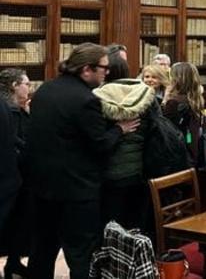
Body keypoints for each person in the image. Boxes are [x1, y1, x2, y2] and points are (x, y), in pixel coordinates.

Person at [26, 43, 139, 279]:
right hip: (76, 190)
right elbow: (100, 145)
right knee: (80, 255)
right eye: (104, 69)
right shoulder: (86, 100)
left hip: (41, 186)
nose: (107, 73)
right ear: (87, 69)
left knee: (42, 249)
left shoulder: (45, 90)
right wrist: (119, 129)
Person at [93, 49, 159, 231]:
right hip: (140, 169)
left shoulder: (97, 97)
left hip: (110, 172)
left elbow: (95, 136)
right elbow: (156, 128)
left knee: (111, 226)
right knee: (135, 225)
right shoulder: (146, 94)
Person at [0, 69, 26, 278]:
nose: (29, 87)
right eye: (26, 83)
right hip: (9, 178)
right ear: (14, 86)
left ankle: (14, 263)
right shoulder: (9, 109)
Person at [163, 62, 205, 165]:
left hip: (180, 154)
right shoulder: (195, 98)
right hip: (194, 148)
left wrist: (164, 100)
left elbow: (164, 129)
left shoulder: (173, 103)